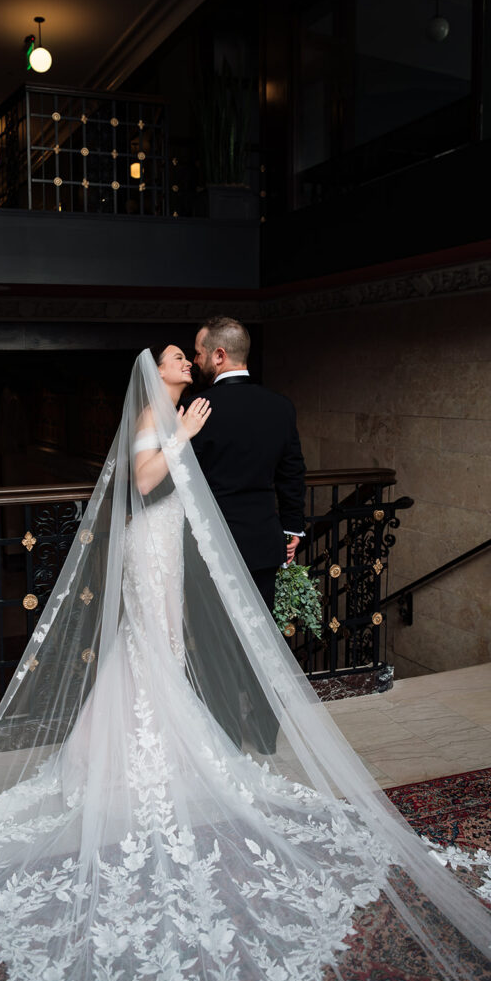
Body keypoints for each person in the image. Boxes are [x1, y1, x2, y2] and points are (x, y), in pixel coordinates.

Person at [0, 347, 491, 981]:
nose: (185, 363)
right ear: (156, 371)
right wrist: (186, 435)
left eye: (186, 356)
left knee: (160, 650)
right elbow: (141, 484)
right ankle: (123, 753)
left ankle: (117, 747)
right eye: (176, 357)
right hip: (152, 544)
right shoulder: (153, 416)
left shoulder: (173, 411)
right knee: (151, 648)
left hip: (170, 541)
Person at [189, 315, 306, 754]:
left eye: (200, 353)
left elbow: (183, 479)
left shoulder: (198, 409)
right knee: (260, 637)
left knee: (214, 640)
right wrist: (291, 529)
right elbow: (292, 473)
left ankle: (224, 738)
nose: (197, 360)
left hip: (209, 547)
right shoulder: (281, 406)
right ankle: (263, 733)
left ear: (220, 355)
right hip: (261, 542)